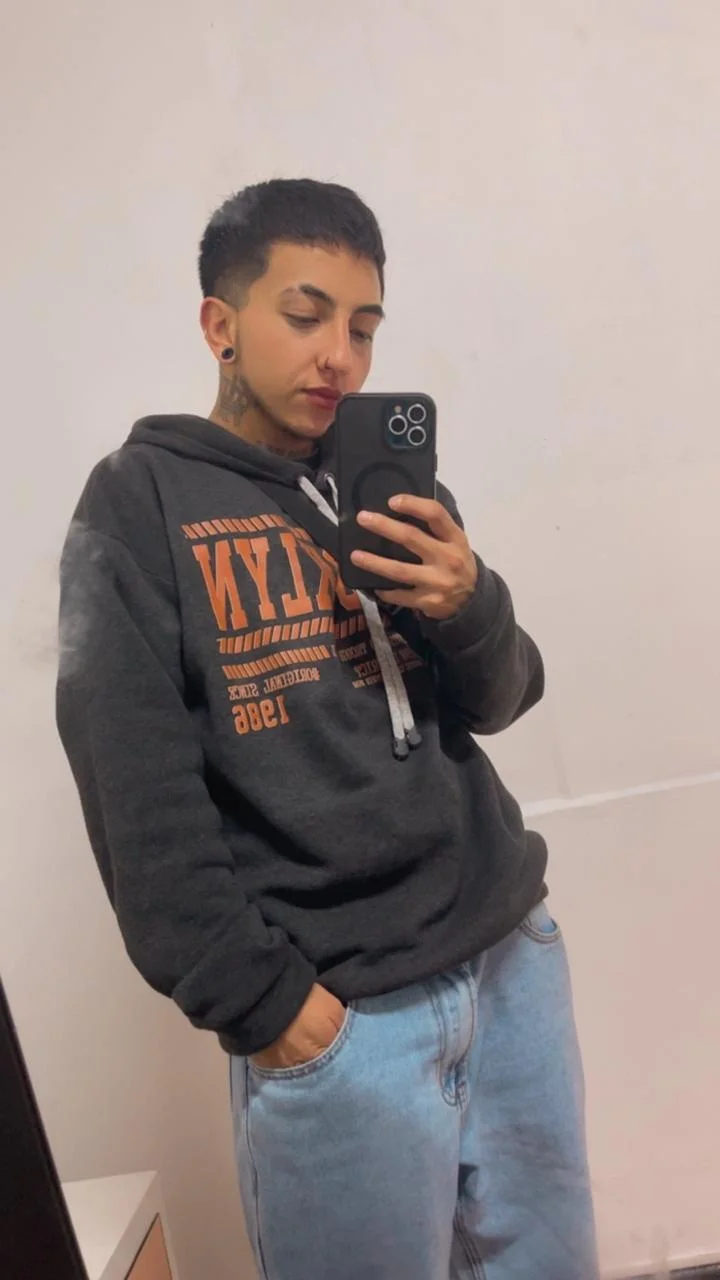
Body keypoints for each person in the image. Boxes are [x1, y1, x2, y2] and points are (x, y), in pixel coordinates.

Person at [56, 178, 598, 1280]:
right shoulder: (138, 505)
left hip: (509, 965)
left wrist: (469, 599)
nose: (339, 356)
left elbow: (503, 697)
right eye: (306, 315)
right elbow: (136, 794)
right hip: (343, 1025)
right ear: (219, 322)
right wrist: (271, 1008)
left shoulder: (382, 487)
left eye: (363, 326)